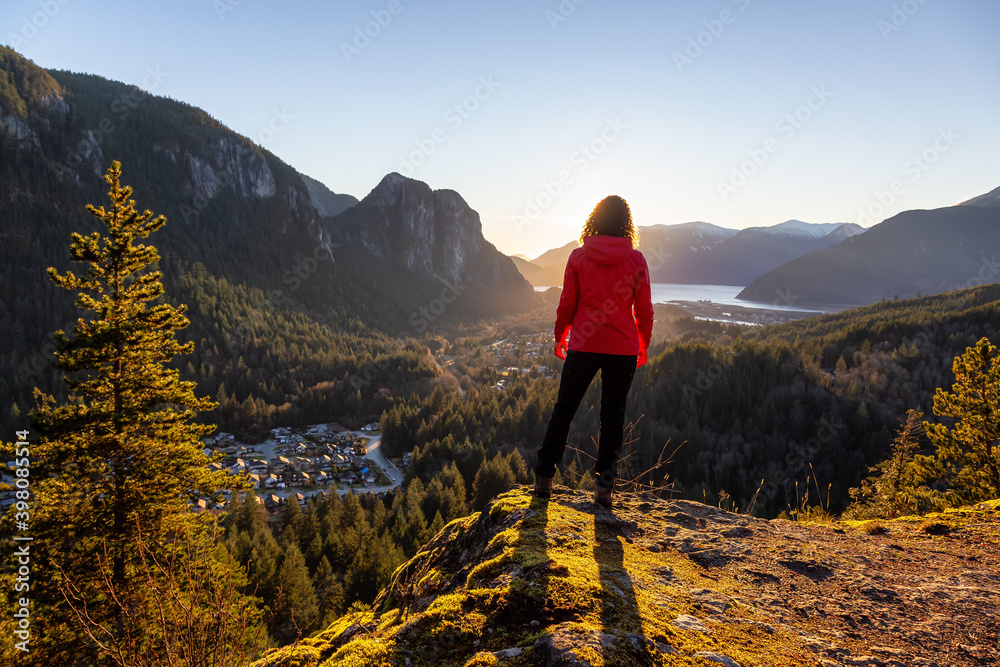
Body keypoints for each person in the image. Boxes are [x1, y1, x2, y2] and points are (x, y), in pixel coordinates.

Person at [533, 195, 654, 507]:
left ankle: (544, 480)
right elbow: (644, 311)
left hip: (584, 344)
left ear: (594, 220)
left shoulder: (577, 257)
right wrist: (643, 344)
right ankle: (603, 491)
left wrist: (561, 335)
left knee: (564, 410)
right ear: (626, 224)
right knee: (612, 417)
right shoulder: (636, 260)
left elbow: (567, 305)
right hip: (622, 348)